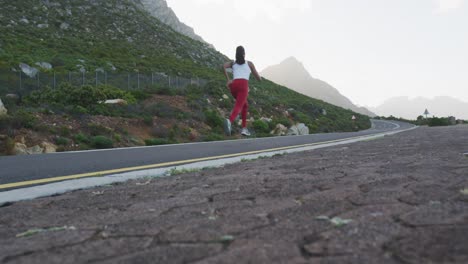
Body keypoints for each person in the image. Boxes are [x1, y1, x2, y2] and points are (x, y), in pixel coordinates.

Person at [222, 46, 262, 136]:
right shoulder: (249, 64)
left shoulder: (233, 63)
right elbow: (258, 77)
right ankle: (230, 120)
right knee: (239, 106)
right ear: (244, 54)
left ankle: (244, 128)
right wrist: (260, 79)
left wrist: (228, 80)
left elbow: (223, 66)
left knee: (245, 105)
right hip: (243, 86)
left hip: (234, 86)